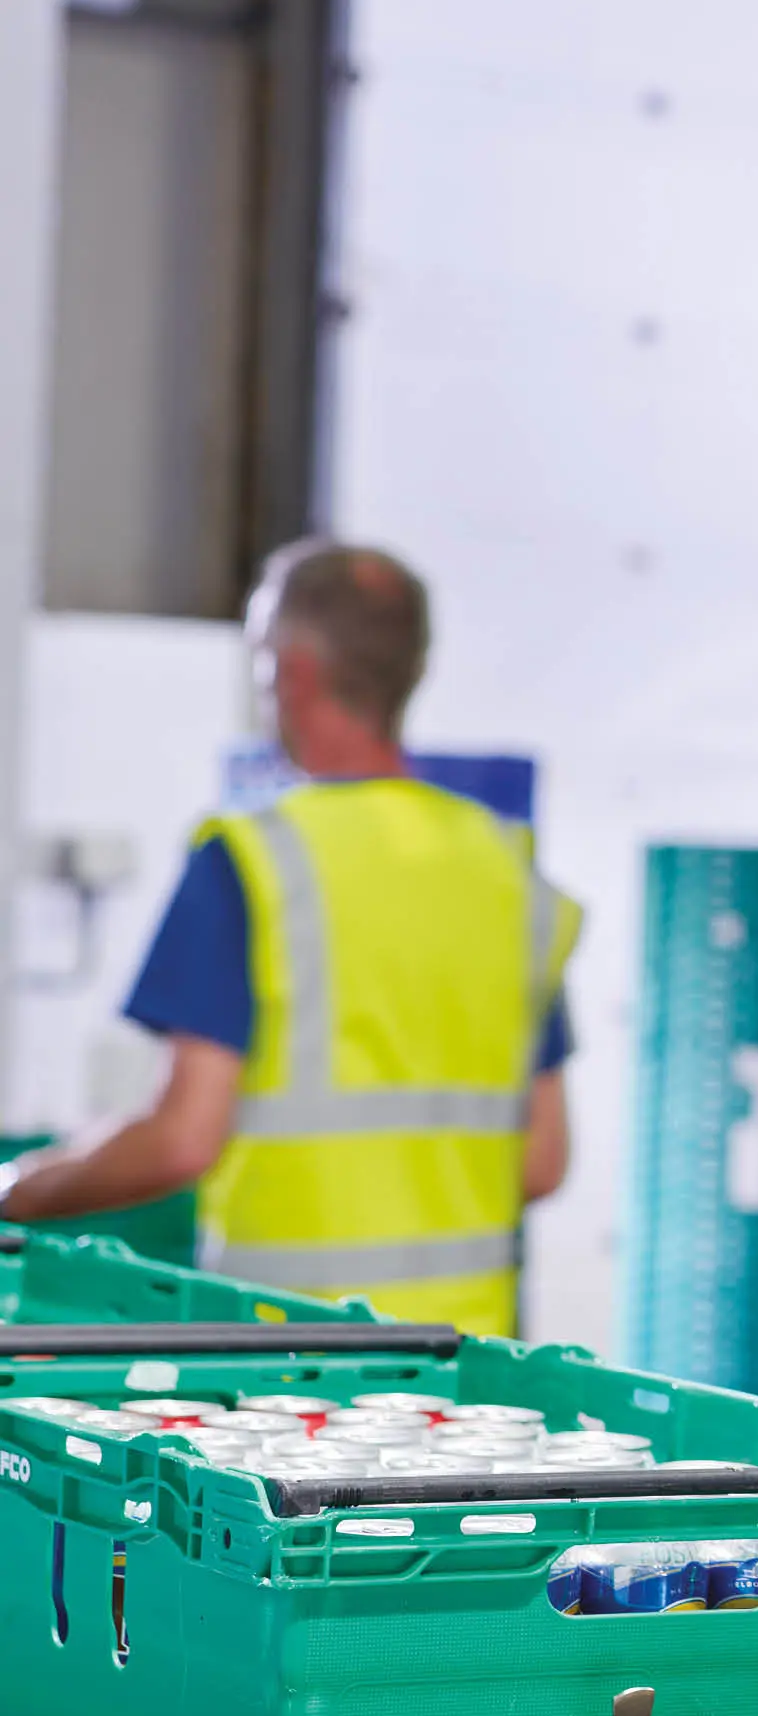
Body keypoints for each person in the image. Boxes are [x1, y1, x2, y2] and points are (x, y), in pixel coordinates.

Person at [0, 542, 581, 1336]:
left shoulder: (252, 860)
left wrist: (21, 1187)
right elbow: (542, 1160)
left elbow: (181, 1138)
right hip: (472, 1375)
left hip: (292, 1370)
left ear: (293, 672)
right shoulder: (506, 871)